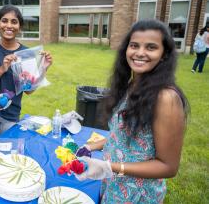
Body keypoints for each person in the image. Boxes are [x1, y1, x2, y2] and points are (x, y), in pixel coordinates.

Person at [75, 19, 189, 203]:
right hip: (114, 183)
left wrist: (110, 167)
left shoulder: (166, 98)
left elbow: (168, 167)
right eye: (134, 45)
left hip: (138, 193)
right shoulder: (130, 86)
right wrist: (90, 147)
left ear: (164, 55)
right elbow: (121, 136)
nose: (140, 53)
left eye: (151, 47)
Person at [0, 5, 53, 146]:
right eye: (4, 21)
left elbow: (28, 90)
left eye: (14, 22)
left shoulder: (26, 54)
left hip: (12, 115)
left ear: (20, 27)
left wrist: (43, 69)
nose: (9, 25)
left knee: (8, 154)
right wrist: (2, 69)